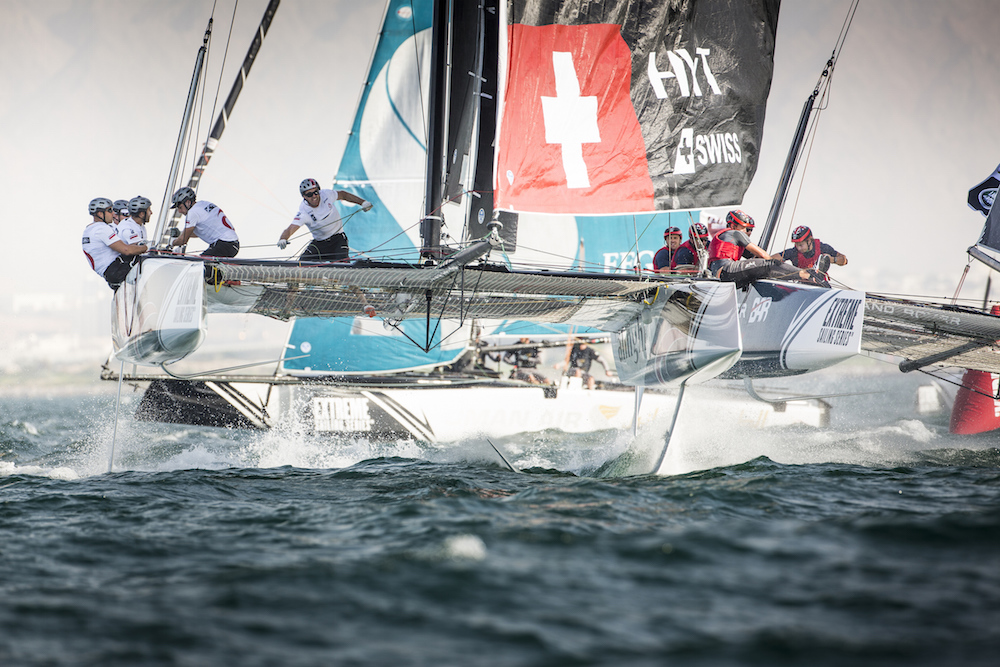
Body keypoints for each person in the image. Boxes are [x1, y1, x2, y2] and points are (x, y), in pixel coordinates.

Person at [708, 210, 814, 286]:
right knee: (771, 264)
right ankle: (807, 275)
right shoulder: (735, 233)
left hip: (721, 274)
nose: (748, 232)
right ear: (733, 226)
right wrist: (776, 266)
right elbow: (763, 255)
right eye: (745, 228)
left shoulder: (726, 239)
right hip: (727, 270)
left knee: (760, 270)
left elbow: (754, 258)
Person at [277, 178, 373, 261]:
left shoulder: (326, 194)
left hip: (338, 239)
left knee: (343, 265)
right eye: (309, 194)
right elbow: (290, 228)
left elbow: (343, 195)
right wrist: (283, 238)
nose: (314, 196)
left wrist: (363, 202)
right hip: (319, 243)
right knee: (301, 264)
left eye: (316, 192)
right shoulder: (304, 212)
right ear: (304, 196)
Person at [81, 197, 148, 290]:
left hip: (110, 273)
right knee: (148, 260)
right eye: (110, 210)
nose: (113, 214)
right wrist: (146, 248)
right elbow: (126, 250)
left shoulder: (89, 229)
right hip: (115, 270)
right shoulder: (101, 228)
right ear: (100, 213)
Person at [169, 186, 239, 258]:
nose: (179, 211)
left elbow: (183, 240)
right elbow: (201, 232)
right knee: (204, 263)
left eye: (180, 207)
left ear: (188, 202)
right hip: (231, 243)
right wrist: (181, 233)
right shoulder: (203, 204)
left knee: (200, 264)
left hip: (225, 243)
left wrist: (171, 243)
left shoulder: (192, 212)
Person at [772, 225, 848, 278]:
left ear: (809, 241)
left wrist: (831, 259)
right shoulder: (793, 252)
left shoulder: (823, 248)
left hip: (819, 286)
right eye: (796, 244)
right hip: (801, 286)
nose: (798, 248)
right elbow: (771, 258)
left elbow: (844, 260)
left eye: (801, 245)